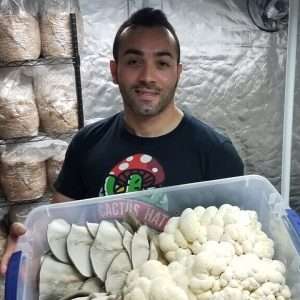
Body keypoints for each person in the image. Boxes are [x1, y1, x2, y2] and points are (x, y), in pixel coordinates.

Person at [0, 7, 244, 275]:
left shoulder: (216, 153)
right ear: (114, 70)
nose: (148, 76)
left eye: (162, 63)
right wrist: (31, 247)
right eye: (133, 62)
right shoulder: (86, 144)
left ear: (178, 72)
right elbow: (58, 227)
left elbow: (233, 249)